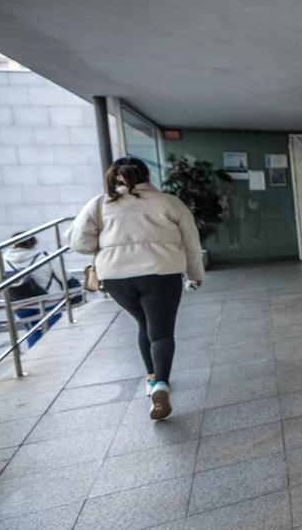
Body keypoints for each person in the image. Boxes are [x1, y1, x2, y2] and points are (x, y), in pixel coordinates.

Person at [69, 157, 204, 421]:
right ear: (146, 175)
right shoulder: (169, 202)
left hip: (118, 278)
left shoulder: (99, 204)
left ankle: (152, 380)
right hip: (161, 274)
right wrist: (194, 274)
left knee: (143, 324)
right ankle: (161, 384)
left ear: (115, 177)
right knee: (161, 332)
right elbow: (191, 242)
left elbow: (80, 243)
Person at [1, 234, 70, 347]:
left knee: (32, 331)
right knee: (54, 333)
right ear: (34, 242)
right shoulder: (45, 255)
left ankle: (36, 357)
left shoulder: (2, 260)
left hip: (20, 304)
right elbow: (64, 277)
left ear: (13, 244)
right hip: (49, 301)